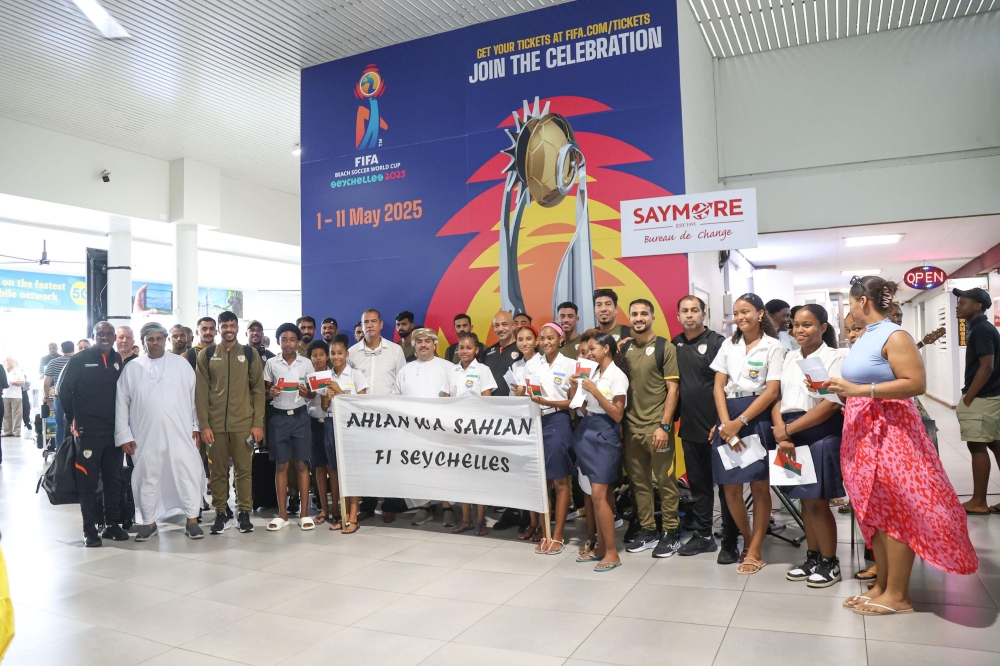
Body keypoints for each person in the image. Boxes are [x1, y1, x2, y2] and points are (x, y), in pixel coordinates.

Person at [832, 276, 977, 615]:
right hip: (864, 433)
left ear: (863, 301)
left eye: (850, 303)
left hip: (890, 434)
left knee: (896, 510)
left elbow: (915, 383)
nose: (849, 310)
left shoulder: (894, 335)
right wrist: (843, 389)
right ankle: (882, 586)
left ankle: (898, 595)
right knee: (876, 511)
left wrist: (859, 391)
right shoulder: (866, 336)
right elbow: (868, 379)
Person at [709, 292, 784, 575]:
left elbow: (772, 391)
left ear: (760, 314)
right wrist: (726, 424)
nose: (741, 317)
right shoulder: (729, 345)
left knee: (759, 486)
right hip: (728, 416)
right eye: (737, 313)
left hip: (755, 416)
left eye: (746, 311)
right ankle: (749, 536)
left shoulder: (773, 346)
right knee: (730, 488)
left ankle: (754, 550)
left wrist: (739, 422)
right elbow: (718, 386)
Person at [771, 305, 845, 587]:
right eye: (795, 325)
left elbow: (830, 404)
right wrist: (783, 433)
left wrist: (787, 430)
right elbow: (776, 396)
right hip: (789, 435)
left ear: (823, 328)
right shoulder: (789, 357)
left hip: (820, 433)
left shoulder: (835, 357)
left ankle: (830, 562)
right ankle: (812, 556)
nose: (799, 330)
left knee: (819, 502)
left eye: (807, 325)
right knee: (803, 499)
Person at [116, 323, 205, 541]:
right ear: (143, 341)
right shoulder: (132, 368)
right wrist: (124, 435)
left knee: (187, 472)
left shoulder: (181, 364)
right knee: (148, 475)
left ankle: (192, 520)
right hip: (145, 435)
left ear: (165, 340)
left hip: (181, 432)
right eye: (150, 339)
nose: (155, 343)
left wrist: (196, 427)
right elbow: (121, 403)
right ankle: (149, 522)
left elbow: (195, 398)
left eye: (158, 338)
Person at [672, 297, 735, 560]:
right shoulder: (674, 344)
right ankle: (703, 536)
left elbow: (729, 386)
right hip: (689, 428)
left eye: (694, 310)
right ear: (678, 316)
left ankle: (731, 540)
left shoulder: (718, 343)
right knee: (699, 488)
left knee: (727, 487)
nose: (689, 315)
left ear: (704, 313)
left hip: (717, 429)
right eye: (684, 311)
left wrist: (721, 423)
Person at [619, 299, 682, 558]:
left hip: (657, 430)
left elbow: (673, 389)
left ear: (652, 317)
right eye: (634, 314)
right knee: (639, 483)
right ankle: (647, 530)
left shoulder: (665, 348)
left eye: (644, 313)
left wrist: (664, 426)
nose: (639, 317)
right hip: (630, 429)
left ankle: (671, 532)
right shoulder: (624, 350)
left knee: (666, 482)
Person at [57, 321, 128, 546]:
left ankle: (111, 524)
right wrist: (72, 418)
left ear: (114, 337)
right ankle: (90, 530)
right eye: (100, 333)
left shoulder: (117, 360)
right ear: (93, 335)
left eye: (109, 334)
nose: (105, 337)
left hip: (113, 432)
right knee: (87, 483)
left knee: (112, 479)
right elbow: (63, 390)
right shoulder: (78, 360)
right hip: (87, 432)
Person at [196, 311, 264, 535]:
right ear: (218, 329)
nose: (228, 329)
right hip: (215, 427)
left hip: (243, 424)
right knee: (218, 472)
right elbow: (201, 392)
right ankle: (221, 513)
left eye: (232, 325)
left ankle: (244, 512)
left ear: (237, 327)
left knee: (244, 471)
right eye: (224, 325)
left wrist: (257, 423)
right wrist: (204, 425)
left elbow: (258, 390)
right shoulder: (205, 355)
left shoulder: (249, 354)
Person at [573, 331, 630, 571]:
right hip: (588, 429)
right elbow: (586, 408)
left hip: (605, 434)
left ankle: (612, 553)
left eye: (593, 348)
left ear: (606, 348)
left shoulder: (618, 375)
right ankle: (600, 547)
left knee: (599, 494)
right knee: (600, 495)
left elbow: (617, 413)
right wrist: (578, 391)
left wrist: (595, 391)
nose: (589, 352)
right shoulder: (594, 372)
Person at [521, 323, 576, 554]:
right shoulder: (532, 365)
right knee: (542, 483)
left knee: (560, 481)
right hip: (536, 422)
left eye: (551, 338)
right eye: (542, 338)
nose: (546, 342)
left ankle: (559, 535)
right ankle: (545, 533)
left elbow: (574, 402)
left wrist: (547, 403)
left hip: (558, 420)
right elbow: (528, 396)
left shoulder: (571, 365)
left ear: (560, 339)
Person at [349, 309, 408, 522]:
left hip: (389, 416)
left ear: (381, 324)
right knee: (367, 461)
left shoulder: (395, 351)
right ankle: (369, 503)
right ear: (362, 325)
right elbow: (348, 384)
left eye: (374, 321)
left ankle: (391, 504)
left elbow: (402, 382)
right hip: (362, 418)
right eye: (366, 322)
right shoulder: (352, 352)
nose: (370, 325)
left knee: (390, 460)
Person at [395, 327, 454, 525]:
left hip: (442, 428)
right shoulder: (405, 370)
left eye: (427, 341)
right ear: (413, 346)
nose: (423, 345)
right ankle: (424, 506)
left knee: (444, 466)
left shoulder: (448, 367)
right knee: (420, 466)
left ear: (435, 345)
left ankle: (448, 507)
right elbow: (396, 399)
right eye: (419, 342)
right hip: (414, 430)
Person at [263, 323, 315, 531]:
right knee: (281, 465)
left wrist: (306, 394)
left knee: (303, 464)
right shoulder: (271, 363)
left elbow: (312, 394)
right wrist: (272, 393)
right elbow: (266, 392)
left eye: (292, 339)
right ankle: (282, 514)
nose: (288, 343)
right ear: (278, 341)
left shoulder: (306, 363)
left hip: (301, 416)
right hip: (279, 418)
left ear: (297, 341)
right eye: (284, 339)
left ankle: (304, 513)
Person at [954, 288, 1000, 515]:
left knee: (977, 446)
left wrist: (969, 397)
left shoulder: (981, 329)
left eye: (963, 302)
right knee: (995, 444)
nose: (957, 306)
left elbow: (987, 365)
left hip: (982, 398)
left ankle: (979, 502)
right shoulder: (983, 327)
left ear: (977, 306)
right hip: (992, 396)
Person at [448, 330, 497, 535]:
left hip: (477, 430)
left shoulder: (483, 370)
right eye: (461, 347)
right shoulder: (453, 371)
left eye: (469, 347)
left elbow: (486, 401)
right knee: (462, 476)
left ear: (476, 350)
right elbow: (448, 399)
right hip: (457, 430)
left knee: (479, 475)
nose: (464, 351)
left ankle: (480, 520)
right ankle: (466, 519)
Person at [479, 310, 523, 530]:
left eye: (505, 324)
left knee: (518, 465)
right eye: (497, 325)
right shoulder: (487, 353)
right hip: (494, 419)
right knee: (501, 465)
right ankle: (508, 509)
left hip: (518, 417)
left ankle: (522, 513)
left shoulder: (523, 349)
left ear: (514, 325)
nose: (501, 329)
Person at [323, 333, 369, 533]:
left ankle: (353, 516)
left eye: (340, 353)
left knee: (351, 472)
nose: (336, 356)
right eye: (332, 353)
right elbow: (324, 407)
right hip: (332, 425)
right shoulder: (326, 375)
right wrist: (327, 395)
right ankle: (342, 515)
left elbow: (362, 403)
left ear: (346, 354)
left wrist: (340, 391)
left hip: (352, 427)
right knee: (337, 473)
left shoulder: (356, 374)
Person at [509, 325, 545, 541]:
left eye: (528, 339)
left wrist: (527, 391)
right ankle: (532, 522)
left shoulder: (542, 363)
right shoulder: (516, 366)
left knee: (542, 477)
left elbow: (542, 391)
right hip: (522, 424)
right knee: (528, 475)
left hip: (541, 420)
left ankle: (542, 524)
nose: (524, 343)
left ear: (536, 341)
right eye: (520, 339)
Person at [304, 339, 335, 526]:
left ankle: (337, 509)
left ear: (328, 356)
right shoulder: (307, 376)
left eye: (321, 354)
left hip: (331, 422)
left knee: (334, 468)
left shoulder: (334, 375)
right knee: (319, 468)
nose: (318, 358)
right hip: (314, 423)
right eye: (314, 355)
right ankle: (324, 508)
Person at [43, 342, 74, 450]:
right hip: (76, 397)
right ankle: (75, 452)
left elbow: (46, 383)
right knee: (77, 425)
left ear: (61, 350)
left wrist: (46, 397)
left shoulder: (53, 362)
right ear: (73, 349)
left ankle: (60, 452)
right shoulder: (78, 360)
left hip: (60, 396)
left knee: (60, 426)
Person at [1, 359, 24, 438]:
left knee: (17, 414)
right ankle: (7, 431)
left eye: (10, 360)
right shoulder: (3, 370)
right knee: (5, 414)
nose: (8, 361)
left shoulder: (18, 371)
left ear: (13, 361)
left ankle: (16, 431)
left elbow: (22, 382)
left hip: (16, 395)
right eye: (7, 360)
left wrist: (13, 383)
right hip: (5, 395)